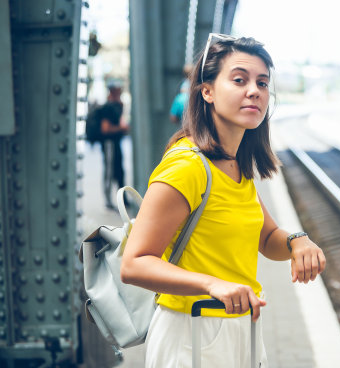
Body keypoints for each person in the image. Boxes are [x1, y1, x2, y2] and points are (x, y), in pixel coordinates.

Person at [120, 35, 326, 367]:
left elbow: (266, 237)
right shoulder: (187, 166)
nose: (254, 91)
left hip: (242, 327)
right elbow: (134, 263)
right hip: (191, 331)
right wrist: (212, 284)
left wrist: (297, 242)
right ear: (208, 91)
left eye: (262, 83)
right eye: (239, 79)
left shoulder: (236, 165)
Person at [100, 81, 130, 209]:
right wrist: (120, 128)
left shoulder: (117, 106)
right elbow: (105, 129)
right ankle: (107, 200)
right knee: (109, 171)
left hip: (116, 143)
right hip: (109, 143)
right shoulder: (107, 108)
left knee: (120, 171)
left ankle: (123, 199)